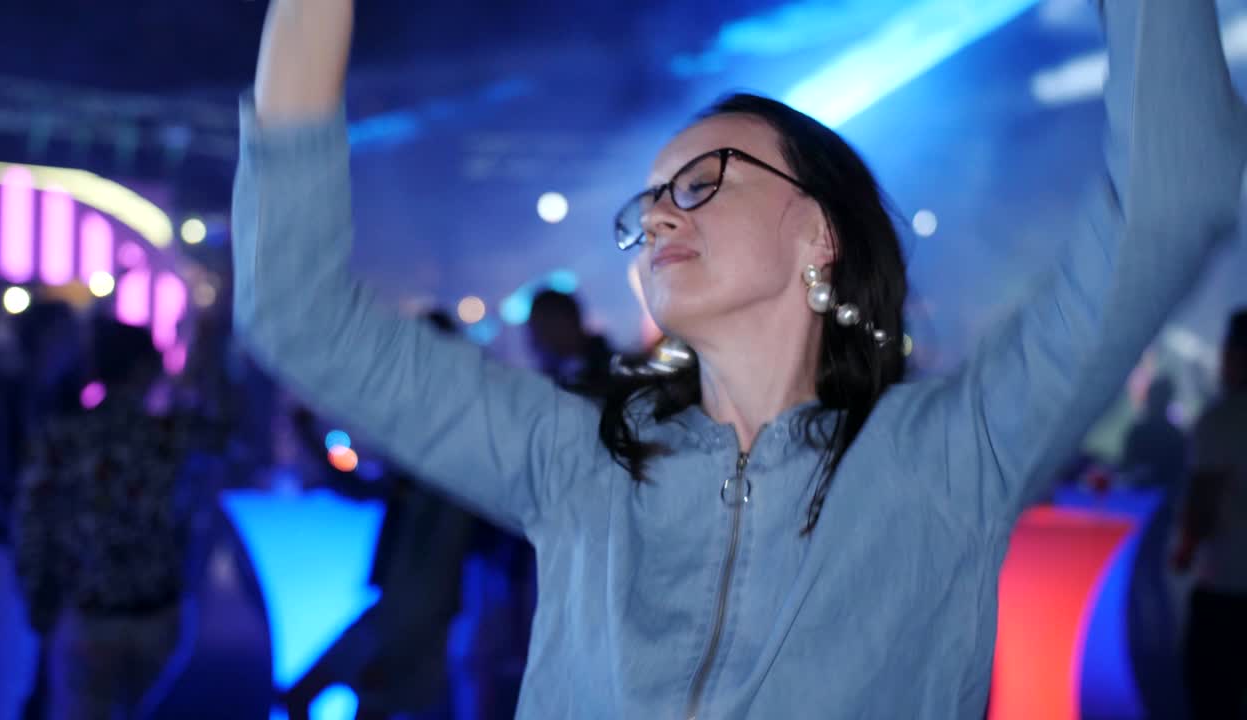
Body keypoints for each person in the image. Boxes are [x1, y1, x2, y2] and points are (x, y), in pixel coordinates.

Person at [233, 0, 1246, 715]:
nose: (656, 217)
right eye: (645, 205)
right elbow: (297, 310)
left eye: (701, 182)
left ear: (817, 234)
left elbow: (1169, 199)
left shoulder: (955, 451)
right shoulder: (577, 456)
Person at [282, 310, 476, 720]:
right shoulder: (435, 435)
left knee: (352, 702)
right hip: (404, 613)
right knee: (328, 699)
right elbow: (375, 492)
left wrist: (400, 644)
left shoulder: (447, 443)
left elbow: (440, 548)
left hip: (410, 618)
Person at [14, 320, 190, 720]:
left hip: (86, 612)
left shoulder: (64, 436)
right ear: (142, 367)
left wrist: (38, 602)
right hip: (156, 610)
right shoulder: (169, 436)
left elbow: (33, 522)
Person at [1172, 309, 1247, 719]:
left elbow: (1203, 503)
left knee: (1213, 702)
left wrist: (1183, 552)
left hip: (1225, 593)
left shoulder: (1221, 421)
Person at [527, 289, 616, 400]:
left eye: (544, 327)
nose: (540, 337)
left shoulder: (614, 370)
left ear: (570, 320)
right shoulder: (550, 382)